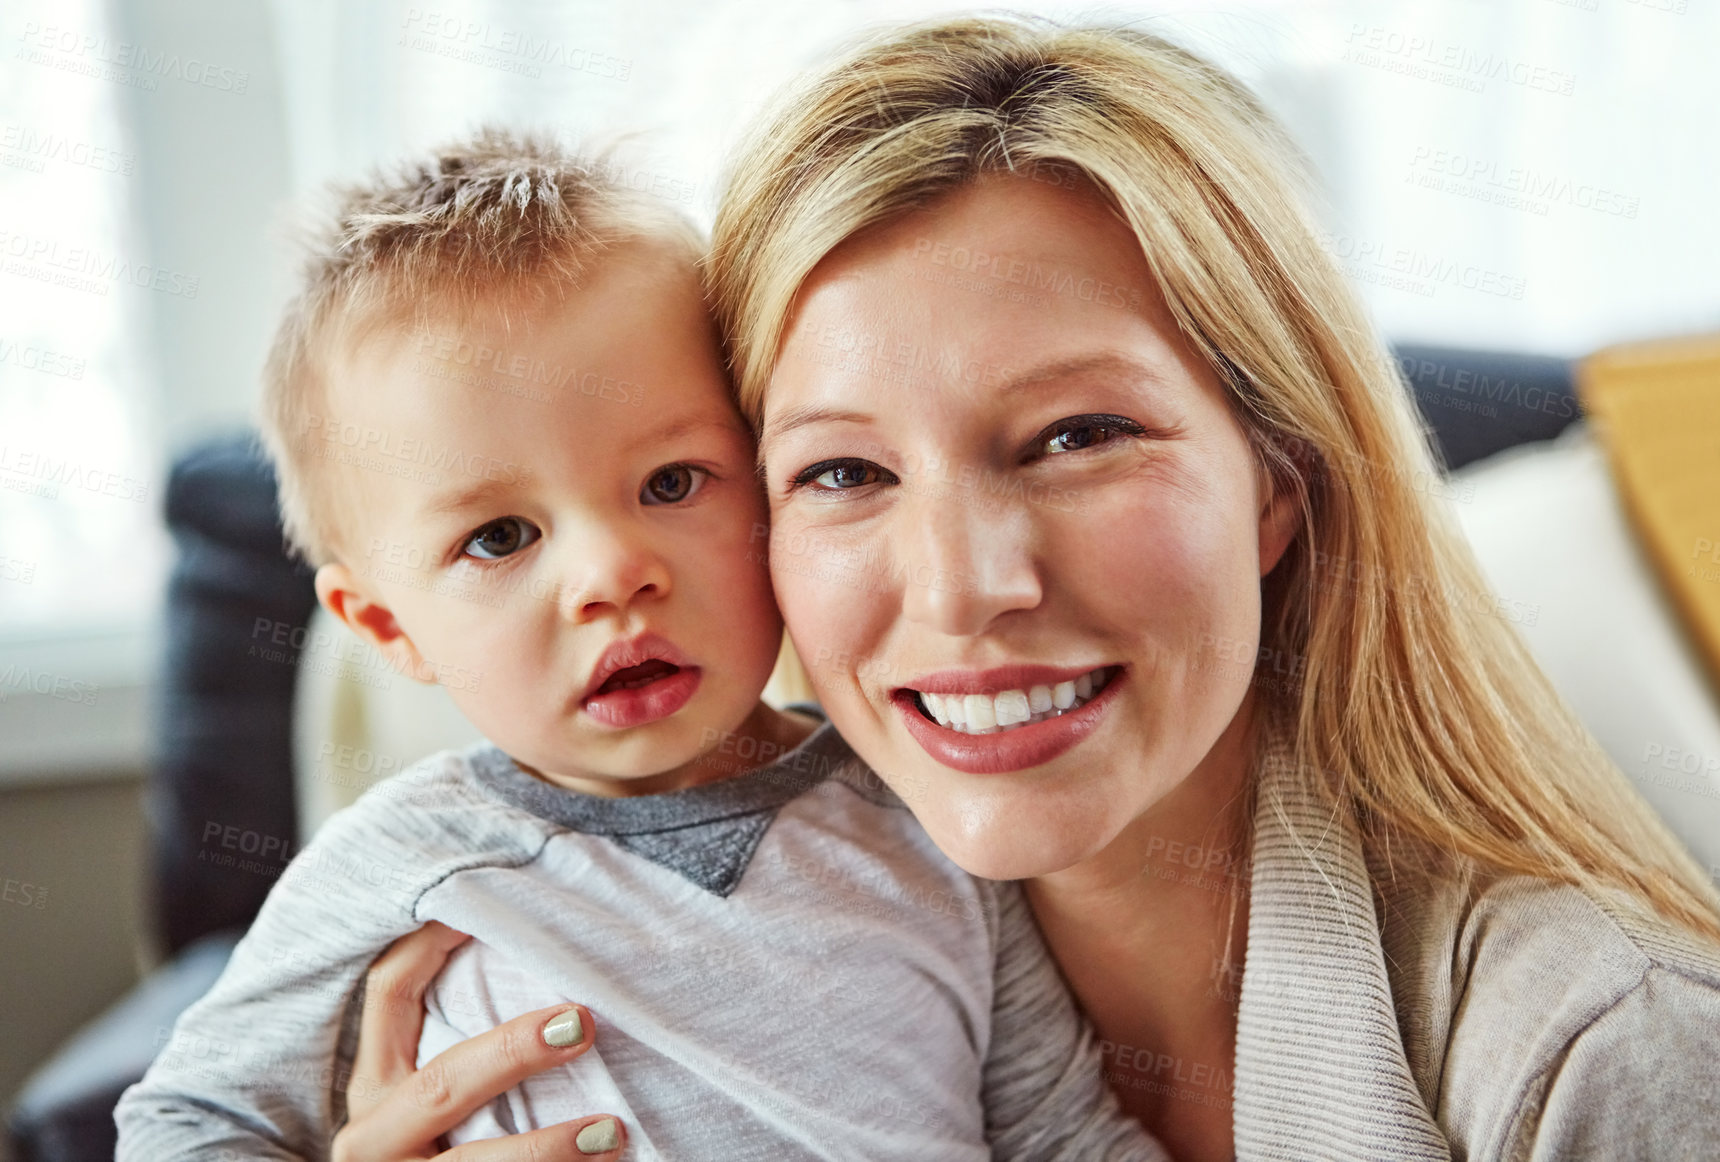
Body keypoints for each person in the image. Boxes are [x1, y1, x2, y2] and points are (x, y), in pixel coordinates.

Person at [335, 18, 1720, 1162]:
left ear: (1279, 480)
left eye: (1075, 438)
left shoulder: (1606, 1055)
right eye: (841, 472)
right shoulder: (639, 973)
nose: (963, 586)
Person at [112, 129, 1171, 1161]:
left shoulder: (922, 807)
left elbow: (1056, 1129)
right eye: (500, 537)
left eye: (671, 482)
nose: (613, 575)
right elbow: (186, 1124)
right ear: (389, 625)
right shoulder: (405, 863)